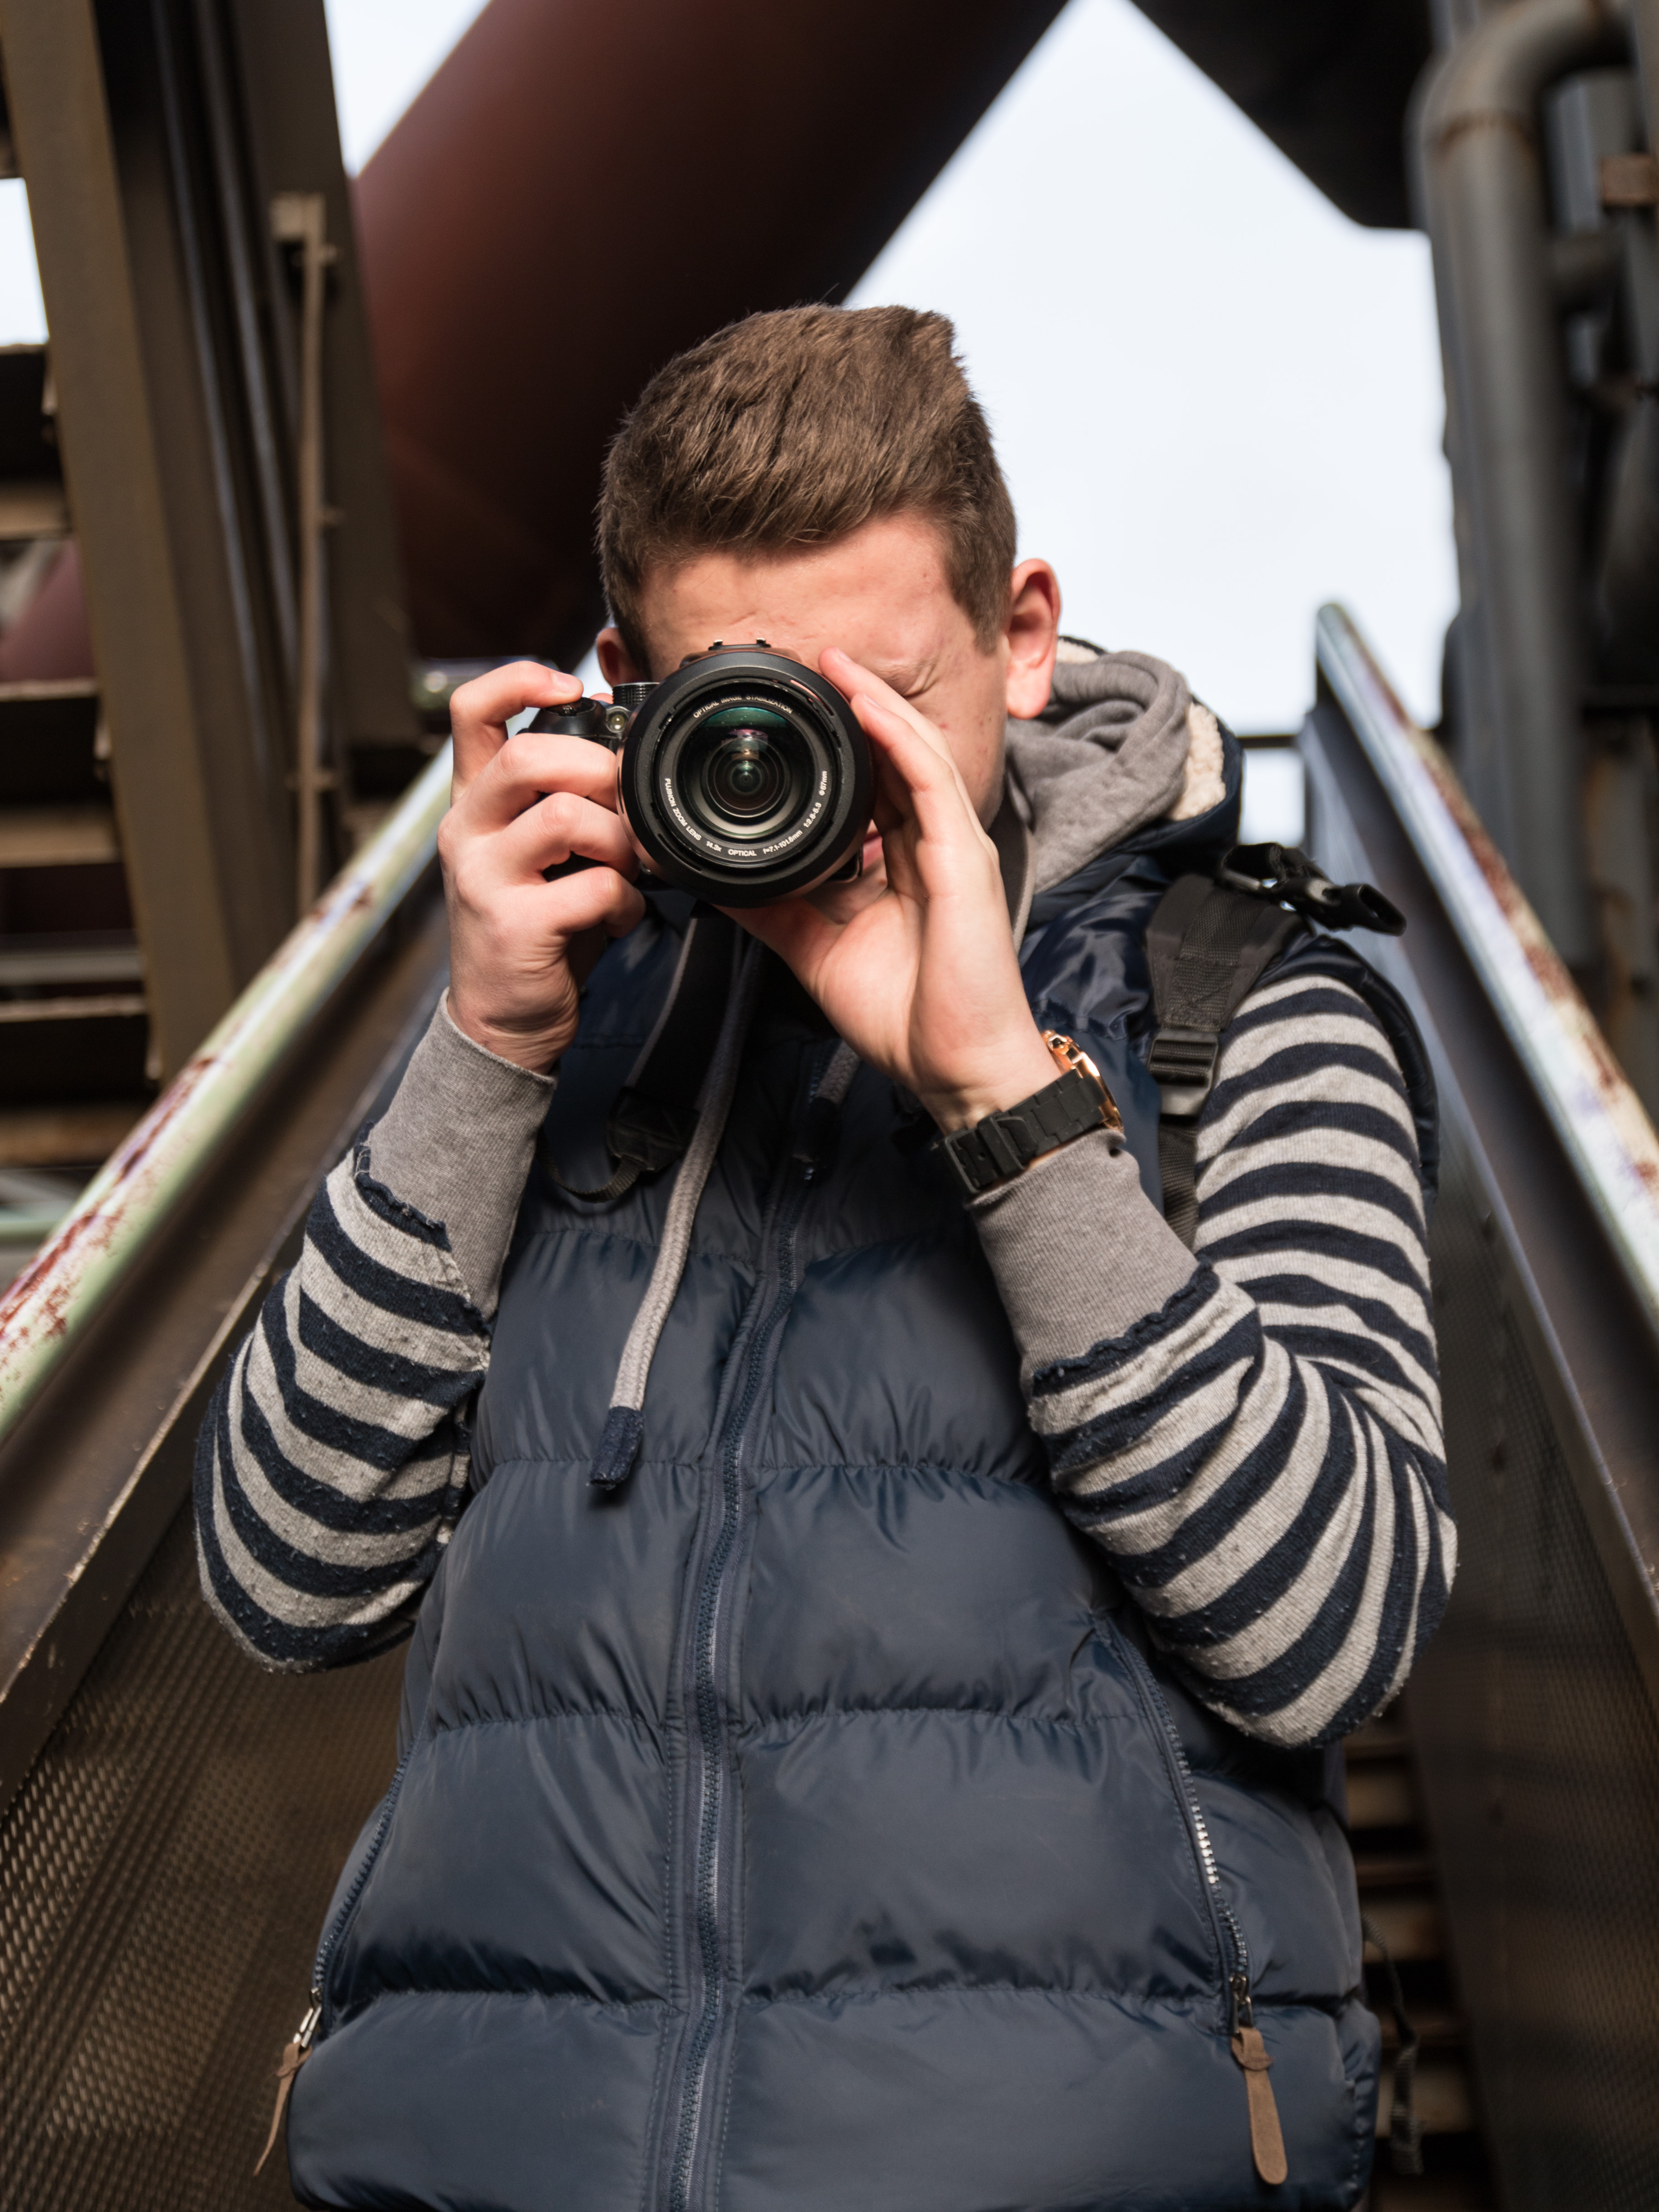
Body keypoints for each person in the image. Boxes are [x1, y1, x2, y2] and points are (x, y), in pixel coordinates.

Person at [196, 304, 1452, 2212]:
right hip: (491, 2164)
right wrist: (487, 1047)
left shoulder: (1242, 1006)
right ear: (628, 686)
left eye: (886, 698)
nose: (823, 770)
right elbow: (287, 1577)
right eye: (749, 707)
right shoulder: (550, 1012)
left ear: (1024, 635)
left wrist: (1004, 1102)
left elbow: (1331, 1635)